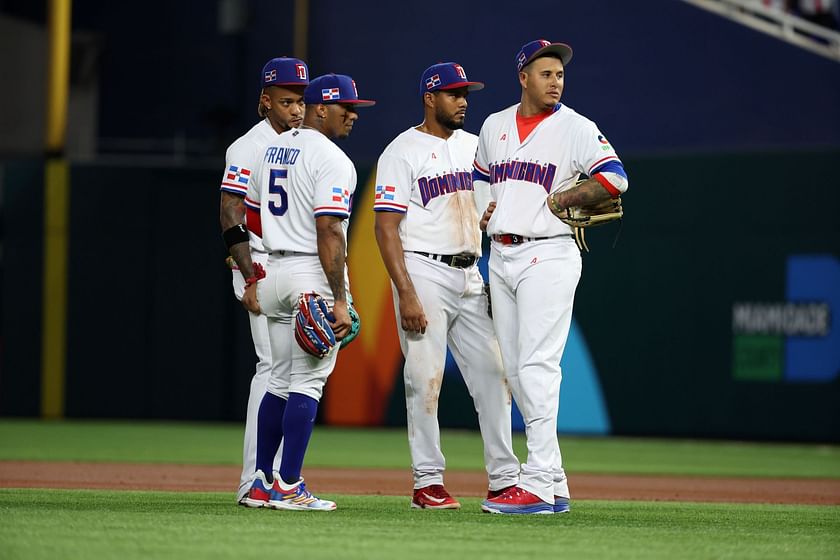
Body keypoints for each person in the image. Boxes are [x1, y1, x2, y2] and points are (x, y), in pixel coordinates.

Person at [474, 40, 629, 515]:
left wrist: (568, 199)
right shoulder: (494, 125)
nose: (556, 81)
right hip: (501, 256)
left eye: (559, 74)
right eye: (546, 73)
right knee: (517, 370)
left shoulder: (577, 127)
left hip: (550, 254)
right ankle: (555, 478)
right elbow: (480, 176)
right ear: (523, 77)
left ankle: (537, 481)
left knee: (539, 366)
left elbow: (615, 179)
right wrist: (485, 208)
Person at [374, 62, 520, 510]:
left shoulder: (476, 146)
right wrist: (406, 292)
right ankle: (427, 481)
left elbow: (490, 212)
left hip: (470, 271)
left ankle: (505, 478)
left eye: (465, 95)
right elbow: (385, 227)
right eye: (453, 94)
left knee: (495, 375)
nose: (462, 101)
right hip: (424, 269)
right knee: (425, 377)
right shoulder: (402, 150)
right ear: (429, 98)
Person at [240, 73, 375, 511]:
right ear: (320, 108)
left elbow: (253, 217)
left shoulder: (271, 149)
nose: (353, 115)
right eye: (346, 108)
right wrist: (338, 296)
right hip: (309, 272)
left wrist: (260, 273)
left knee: (279, 377)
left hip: (274, 267)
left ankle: (261, 482)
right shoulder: (334, 159)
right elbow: (330, 229)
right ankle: (290, 484)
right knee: (309, 381)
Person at [218, 57, 309, 505]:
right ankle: (255, 477)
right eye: (286, 100)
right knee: (273, 369)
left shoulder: (301, 145)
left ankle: (271, 476)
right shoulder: (247, 147)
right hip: (260, 266)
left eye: (300, 100)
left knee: (287, 373)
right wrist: (247, 272)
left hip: (290, 269)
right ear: (265, 101)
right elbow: (230, 211)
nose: (296, 109)